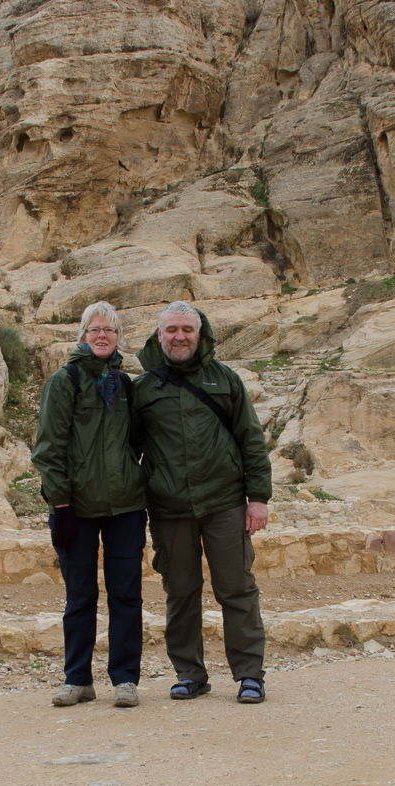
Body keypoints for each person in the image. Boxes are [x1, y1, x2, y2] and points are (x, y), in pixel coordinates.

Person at [133, 300, 272, 704]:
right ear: (159, 335)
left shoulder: (225, 379)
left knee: (237, 589)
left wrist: (258, 498)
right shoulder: (142, 389)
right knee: (180, 592)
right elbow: (128, 450)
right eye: (172, 330)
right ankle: (190, 674)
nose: (180, 337)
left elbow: (250, 438)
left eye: (187, 330)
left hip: (225, 502)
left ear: (200, 334)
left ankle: (250, 675)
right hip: (168, 508)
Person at [31, 301, 148, 708]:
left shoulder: (126, 384)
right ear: (82, 335)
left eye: (109, 330)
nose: (102, 335)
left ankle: (125, 680)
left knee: (126, 594)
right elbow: (48, 449)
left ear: (118, 338)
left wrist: (129, 475)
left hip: (125, 507)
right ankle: (78, 679)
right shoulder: (65, 381)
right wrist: (60, 504)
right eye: (95, 329)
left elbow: (136, 441)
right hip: (75, 509)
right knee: (80, 596)